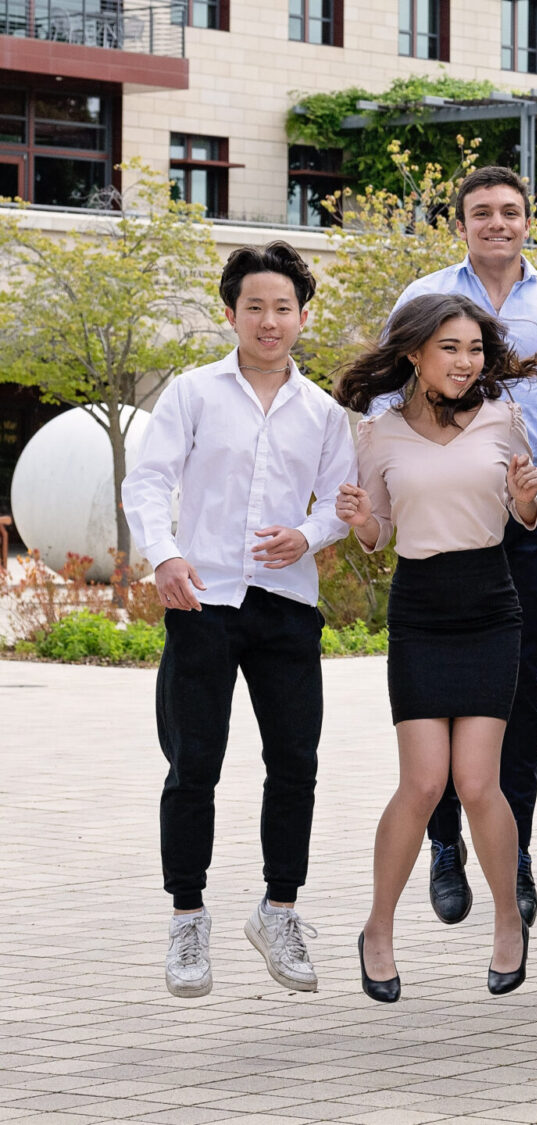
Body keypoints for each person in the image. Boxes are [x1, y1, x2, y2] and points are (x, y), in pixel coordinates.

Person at [124, 242, 355, 1000]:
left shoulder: (323, 411)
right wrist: (162, 556)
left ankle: (278, 909)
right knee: (194, 765)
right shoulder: (192, 394)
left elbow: (338, 503)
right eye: (254, 306)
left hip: (287, 605)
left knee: (296, 762)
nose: (268, 320)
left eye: (282, 307)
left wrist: (309, 535)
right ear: (230, 313)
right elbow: (149, 481)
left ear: (302, 316)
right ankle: (187, 917)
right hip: (203, 602)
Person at [373, 166, 537, 930]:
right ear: (460, 223)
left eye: (510, 211)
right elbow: (383, 401)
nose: (497, 222)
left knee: (519, 683)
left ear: (529, 220)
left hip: (528, 511)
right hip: (443, 510)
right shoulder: (421, 296)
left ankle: (516, 847)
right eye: (481, 212)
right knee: (434, 690)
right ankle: (443, 845)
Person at [334, 293, 537, 1002]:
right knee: (425, 782)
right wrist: (366, 520)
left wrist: (529, 495)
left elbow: (524, 511)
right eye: (451, 347)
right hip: (422, 610)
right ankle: (378, 931)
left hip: (491, 605)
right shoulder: (379, 434)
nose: (466, 361)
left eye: (475, 348)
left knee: (478, 781)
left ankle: (507, 921)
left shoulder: (502, 418)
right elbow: (378, 536)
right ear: (414, 354)